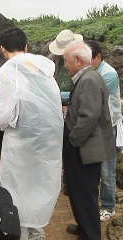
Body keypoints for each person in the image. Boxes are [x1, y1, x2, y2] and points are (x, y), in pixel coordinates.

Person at [0, 27, 63, 240]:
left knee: (16, 194)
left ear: (2, 48)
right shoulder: (42, 69)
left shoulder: (7, 71)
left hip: (20, 143)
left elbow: (5, 115)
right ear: (26, 46)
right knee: (37, 186)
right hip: (45, 142)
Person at [62, 40, 115, 240]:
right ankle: (85, 225)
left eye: (66, 61)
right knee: (81, 189)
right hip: (84, 146)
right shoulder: (87, 77)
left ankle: (90, 237)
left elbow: (89, 115)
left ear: (77, 60)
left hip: (85, 147)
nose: (65, 65)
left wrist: (74, 139)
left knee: (84, 190)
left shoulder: (89, 80)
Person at [85, 40, 123, 222]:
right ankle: (96, 204)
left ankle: (109, 206)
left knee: (107, 170)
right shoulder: (92, 71)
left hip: (109, 128)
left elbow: (90, 95)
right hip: (97, 127)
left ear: (98, 57)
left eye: (88, 58)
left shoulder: (108, 74)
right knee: (95, 169)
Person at [49, 29, 83, 196]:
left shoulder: (80, 60)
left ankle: (70, 182)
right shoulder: (53, 59)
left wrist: (65, 98)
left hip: (73, 107)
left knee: (71, 146)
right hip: (56, 108)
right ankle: (62, 181)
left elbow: (83, 88)